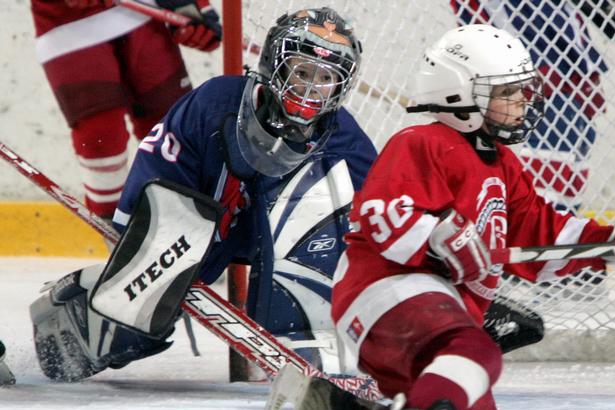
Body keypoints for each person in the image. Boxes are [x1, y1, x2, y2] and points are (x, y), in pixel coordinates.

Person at [254, 25, 615, 410]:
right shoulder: (422, 143)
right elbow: (376, 215)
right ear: (459, 94)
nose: (521, 101)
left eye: (521, 91)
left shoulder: (503, 166)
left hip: (433, 312)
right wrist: (439, 233)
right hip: (385, 290)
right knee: (475, 351)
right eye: (506, 92)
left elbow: (546, 236)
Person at [28, 7, 377, 382]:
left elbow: (372, 220)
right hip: (208, 231)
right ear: (275, 62)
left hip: (278, 244)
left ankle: (301, 327)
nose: (309, 88)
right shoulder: (215, 104)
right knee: (127, 321)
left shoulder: (346, 141)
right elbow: (157, 166)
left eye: (325, 77)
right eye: (301, 71)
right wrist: (137, 251)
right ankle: (90, 309)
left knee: (323, 192)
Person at [450, 0, 615, 214]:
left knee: (572, 163)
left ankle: (557, 233)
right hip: (529, 60)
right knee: (550, 160)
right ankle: (536, 237)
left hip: (568, 62)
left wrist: (607, 8)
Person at [31, 0, 222, 220]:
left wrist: (190, 4)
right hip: (66, 25)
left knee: (174, 130)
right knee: (101, 136)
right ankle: (116, 231)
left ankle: (192, 229)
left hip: (143, 15)